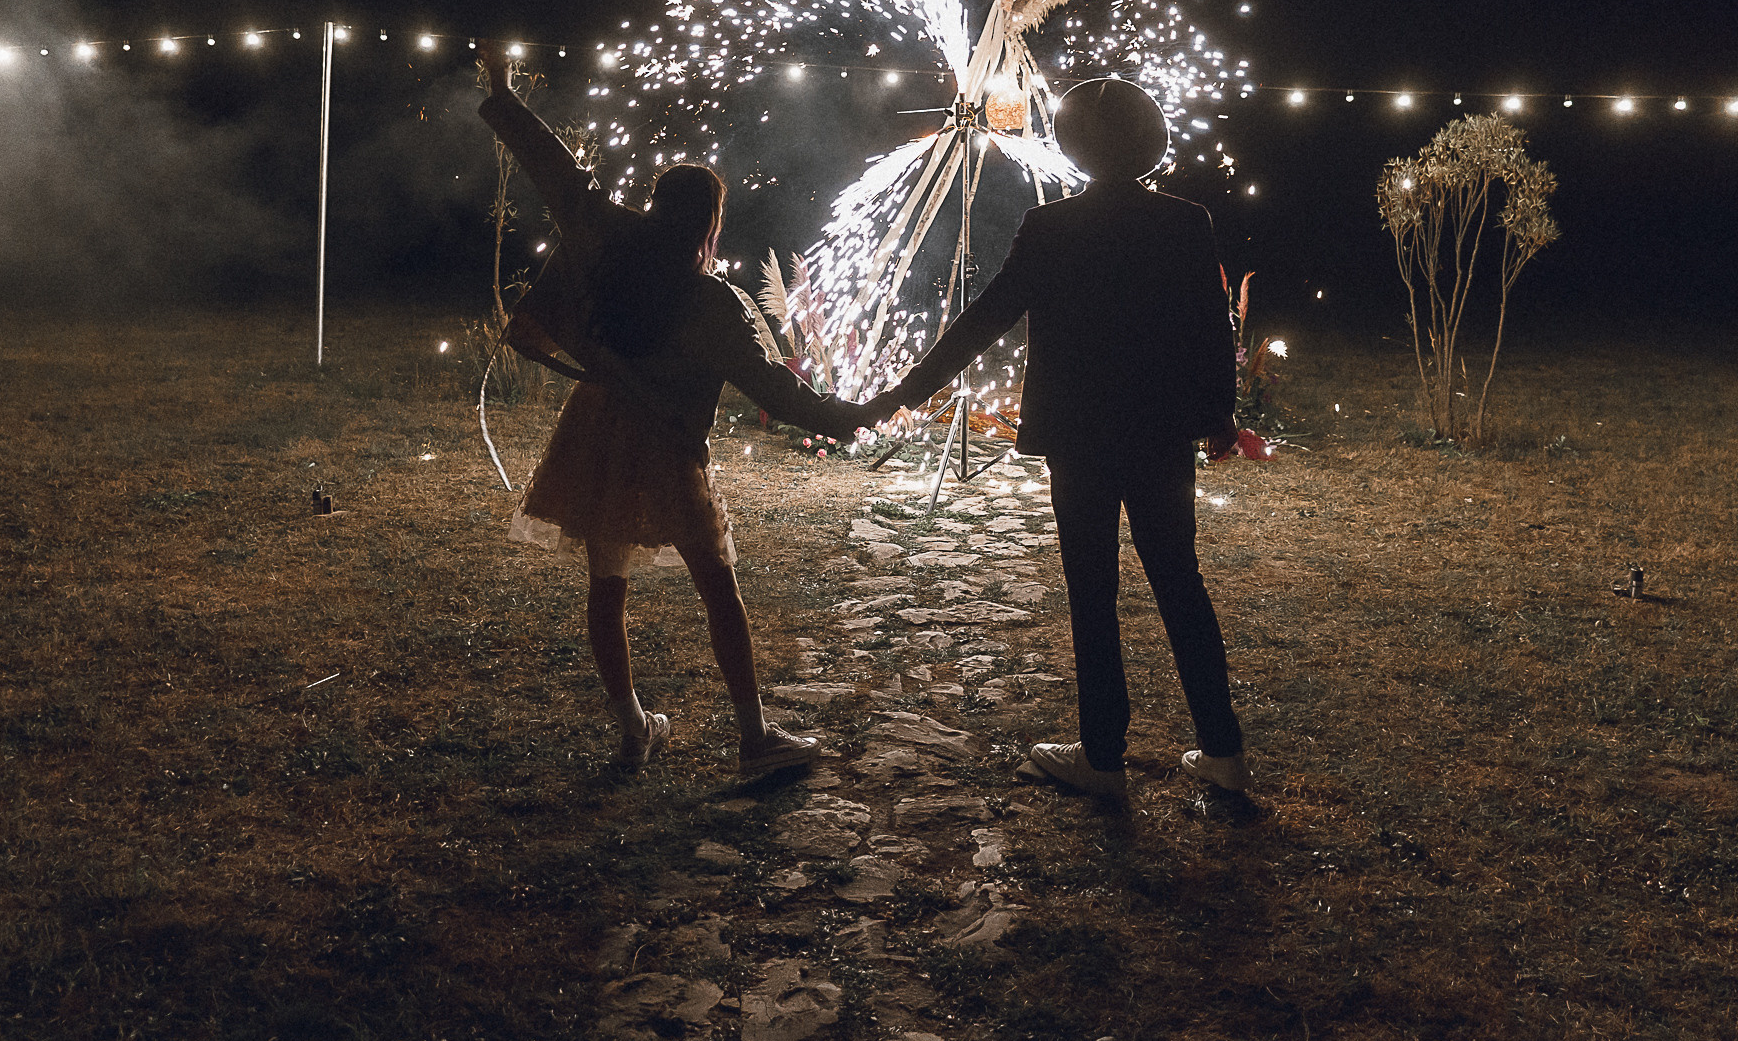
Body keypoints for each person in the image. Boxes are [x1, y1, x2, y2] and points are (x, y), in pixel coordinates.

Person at [479, 56, 868, 775]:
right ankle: (754, 738)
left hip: (594, 437)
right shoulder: (711, 302)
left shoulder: (608, 239)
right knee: (717, 583)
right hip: (664, 448)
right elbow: (773, 389)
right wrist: (851, 416)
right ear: (712, 221)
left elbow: (555, 169)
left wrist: (504, 100)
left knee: (607, 583)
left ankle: (633, 727)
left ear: (657, 206)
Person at [864, 77, 1251, 798]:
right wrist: (1217, 415)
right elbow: (1211, 328)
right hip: (1160, 430)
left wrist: (904, 391)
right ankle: (1222, 750)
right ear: (1151, 138)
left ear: (1072, 145)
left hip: (1081, 434)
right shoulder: (1185, 221)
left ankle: (1103, 757)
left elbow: (987, 317)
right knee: (1179, 581)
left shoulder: (1053, 228)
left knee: (1092, 590)